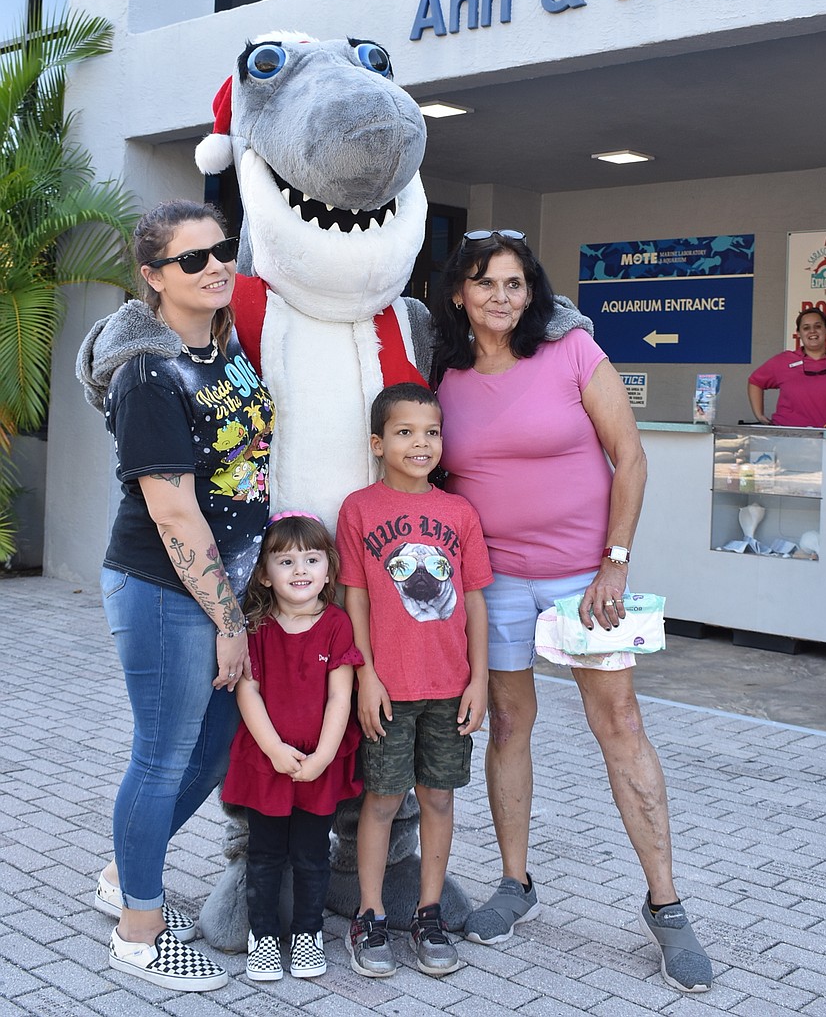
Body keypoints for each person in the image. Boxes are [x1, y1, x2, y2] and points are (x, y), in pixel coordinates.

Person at [432, 229, 712, 995]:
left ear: (534, 293)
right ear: (459, 293)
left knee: (618, 726)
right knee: (509, 725)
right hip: (494, 584)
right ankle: (515, 885)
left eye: (515, 284)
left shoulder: (573, 354)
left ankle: (667, 904)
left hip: (584, 580)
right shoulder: (443, 373)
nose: (501, 296)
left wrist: (614, 561)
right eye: (485, 283)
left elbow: (631, 456)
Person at [76, 200, 275, 993]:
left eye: (221, 250)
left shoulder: (224, 349)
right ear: (153, 278)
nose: (215, 266)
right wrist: (229, 619)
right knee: (160, 760)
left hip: (222, 583)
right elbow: (172, 507)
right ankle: (139, 931)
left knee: (216, 741)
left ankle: (130, 871)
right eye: (192, 260)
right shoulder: (148, 375)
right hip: (165, 587)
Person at [336, 382, 492, 978]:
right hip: (389, 688)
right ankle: (369, 914)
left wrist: (479, 679)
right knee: (380, 800)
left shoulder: (459, 513)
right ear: (378, 443)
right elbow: (354, 599)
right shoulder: (359, 509)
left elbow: (475, 600)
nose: (420, 443)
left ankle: (429, 913)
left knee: (439, 798)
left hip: (450, 687)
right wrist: (366, 675)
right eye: (405, 432)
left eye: (431, 433)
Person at [221, 513, 363, 982]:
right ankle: (261, 935)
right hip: (268, 760)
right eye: (286, 561)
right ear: (265, 573)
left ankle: (307, 933)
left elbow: (342, 694)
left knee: (310, 853)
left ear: (328, 569)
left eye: (311, 558)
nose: (300, 569)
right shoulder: (256, 627)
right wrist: (276, 751)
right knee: (263, 854)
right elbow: (248, 691)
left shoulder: (337, 624)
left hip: (318, 762)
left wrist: (323, 756)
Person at [748, 307, 826, 427]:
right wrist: (759, 415)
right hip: (789, 438)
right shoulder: (783, 361)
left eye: (818, 326)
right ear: (798, 333)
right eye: (806, 328)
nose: (812, 331)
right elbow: (755, 382)